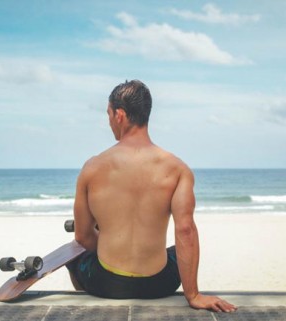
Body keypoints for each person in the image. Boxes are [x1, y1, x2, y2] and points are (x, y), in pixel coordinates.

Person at [66, 80, 237, 313]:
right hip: (159, 284)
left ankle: (91, 307)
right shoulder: (177, 169)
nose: (108, 122)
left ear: (119, 115)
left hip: (105, 283)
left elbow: (83, 237)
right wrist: (193, 295)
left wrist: (108, 243)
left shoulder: (92, 168)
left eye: (108, 114)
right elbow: (186, 230)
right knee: (177, 250)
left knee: (73, 256)